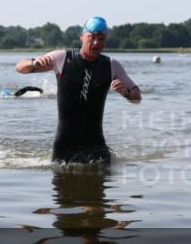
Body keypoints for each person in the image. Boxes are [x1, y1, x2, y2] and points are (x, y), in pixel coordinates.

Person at [15, 16, 140, 165]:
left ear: (105, 40)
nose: (95, 43)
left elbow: (136, 96)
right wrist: (34, 62)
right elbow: (20, 67)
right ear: (82, 37)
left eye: (101, 39)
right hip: (64, 146)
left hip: (96, 146)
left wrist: (126, 93)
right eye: (91, 37)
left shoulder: (112, 65)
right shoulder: (61, 58)